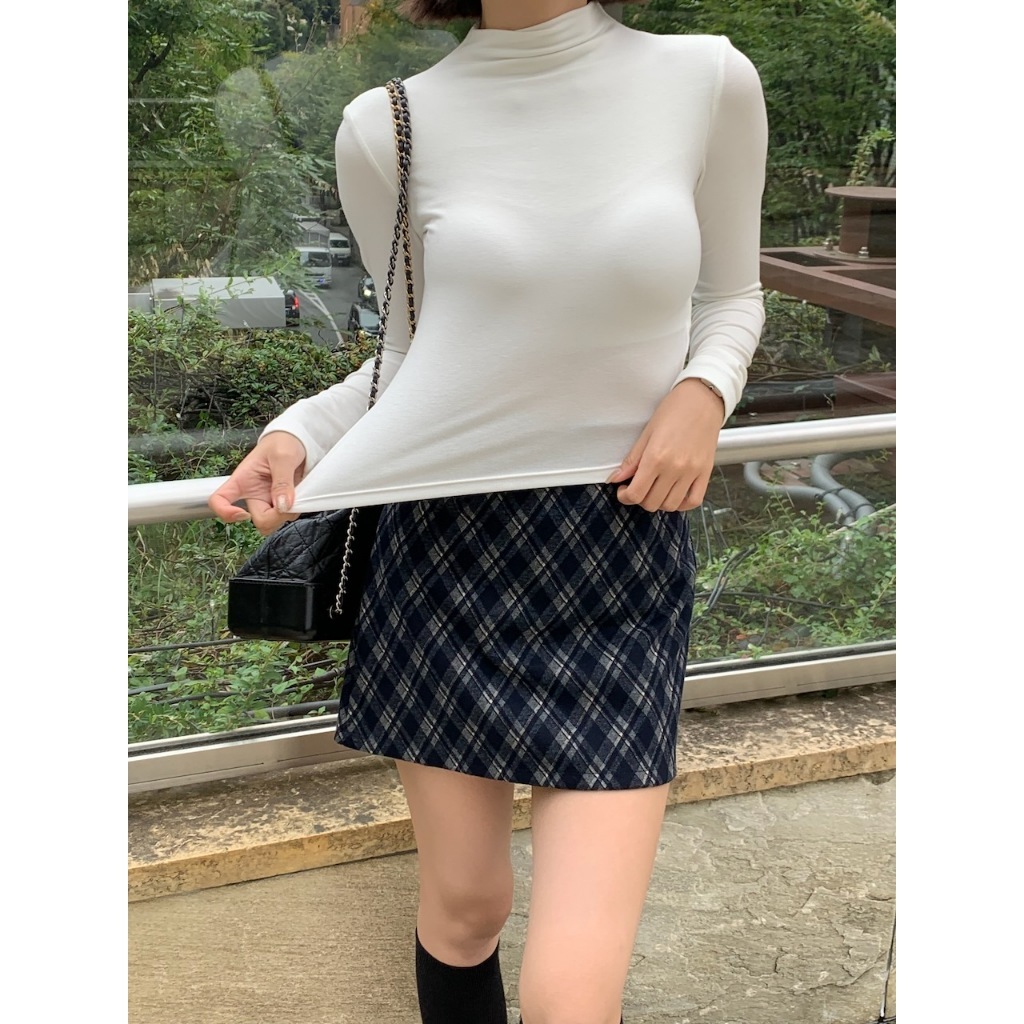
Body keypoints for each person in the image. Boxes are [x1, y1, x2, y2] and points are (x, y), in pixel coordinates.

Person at [209, 1, 768, 1021]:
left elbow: (732, 297)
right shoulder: (386, 125)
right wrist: (299, 430)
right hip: (440, 552)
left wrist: (703, 392)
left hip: (619, 551)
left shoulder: (707, 79)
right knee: (466, 907)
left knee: (569, 997)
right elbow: (413, 357)